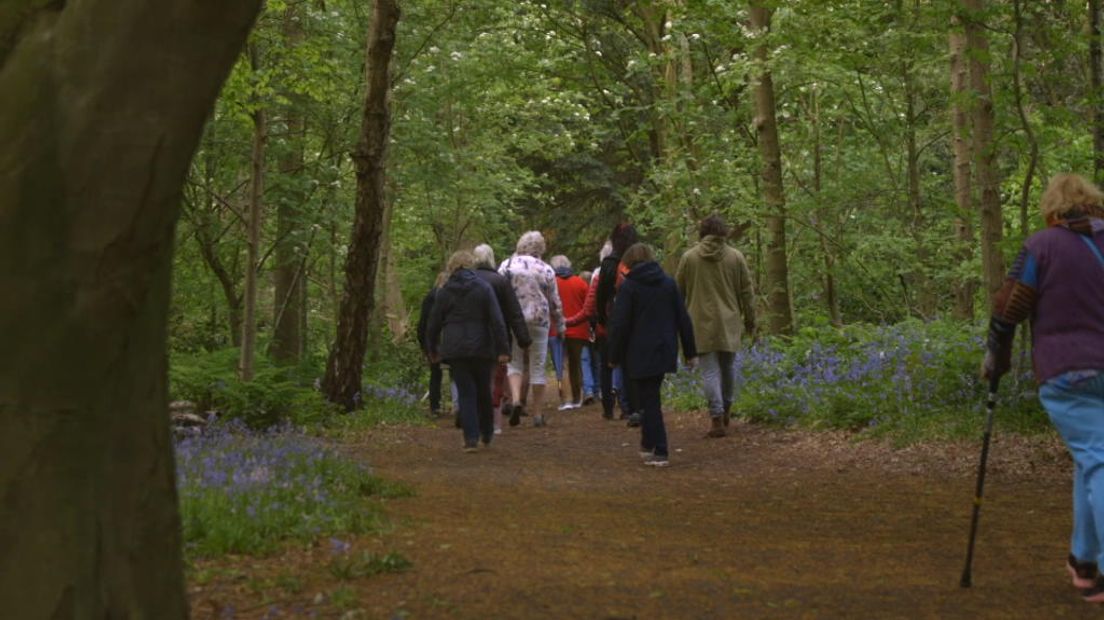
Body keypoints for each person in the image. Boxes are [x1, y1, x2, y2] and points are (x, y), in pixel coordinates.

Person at [982, 173, 1104, 603]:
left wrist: (996, 358)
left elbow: (1010, 306)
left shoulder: (1042, 246)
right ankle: (1084, 561)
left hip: (1067, 372)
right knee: (1093, 459)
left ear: (1052, 209)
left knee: (1098, 460)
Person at [608, 243, 697, 467]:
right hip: (664, 348)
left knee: (648, 400)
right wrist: (690, 351)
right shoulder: (669, 284)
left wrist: (614, 354)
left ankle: (661, 449)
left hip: (638, 351)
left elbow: (620, 324)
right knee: (649, 396)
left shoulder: (629, 288)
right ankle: (648, 444)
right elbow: (683, 319)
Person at [676, 215, 757, 438]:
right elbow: (746, 293)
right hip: (729, 321)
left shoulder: (689, 258)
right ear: (724, 232)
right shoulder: (736, 257)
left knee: (710, 371)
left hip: (699, 322)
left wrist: (677, 324)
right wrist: (751, 320)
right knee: (728, 368)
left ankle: (716, 417)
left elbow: (678, 293)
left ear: (702, 232)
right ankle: (726, 409)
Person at [426, 250, 510, 452]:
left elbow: (434, 322)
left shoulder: (445, 291)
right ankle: (487, 432)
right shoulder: (483, 288)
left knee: (465, 393)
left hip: (455, 349)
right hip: (482, 346)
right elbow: (497, 319)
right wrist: (503, 348)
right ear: (471, 265)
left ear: (452, 267)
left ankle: (470, 438)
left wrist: (432, 348)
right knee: (484, 389)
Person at [499, 231, 565, 428]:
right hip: (539, 320)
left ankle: (516, 399)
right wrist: (560, 324)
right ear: (541, 248)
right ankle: (537, 414)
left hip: (515, 320)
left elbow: (498, 293)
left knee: (515, 363)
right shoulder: (546, 269)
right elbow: (555, 302)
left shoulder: (507, 266)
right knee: (537, 365)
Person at [472, 243, 532, 434]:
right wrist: (523, 338)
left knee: (475, 379)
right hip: (497, 338)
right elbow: (514, 311)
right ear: (491, 258)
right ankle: (495, 422)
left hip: (472, 338)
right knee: (495, 380)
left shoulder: (469, 280)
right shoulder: (500, 281)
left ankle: (475, 419)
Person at [550, 255, 591, 410]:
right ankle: (577, 398)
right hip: (579, 329)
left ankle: (566, 400)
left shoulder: (553, 282)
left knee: (563, 364)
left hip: (558, 329)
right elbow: (588, 306)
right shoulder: (580, 282)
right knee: (576, 363)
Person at [416, 271, 449, 417]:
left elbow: (423, 323)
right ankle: (459, 404)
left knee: (435, 373)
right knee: (455, 371)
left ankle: (435, 406)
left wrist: (424, 344)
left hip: (433, 340)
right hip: (450, 340)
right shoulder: (453, 297)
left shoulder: (430, 297)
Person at [578, 269, 600, 404]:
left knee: (584, 361)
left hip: (582, 331)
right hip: (595, 330)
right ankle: (598, 390)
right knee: (597, 361)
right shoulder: (594, 293)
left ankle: (588, 390)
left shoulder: (580, 291)